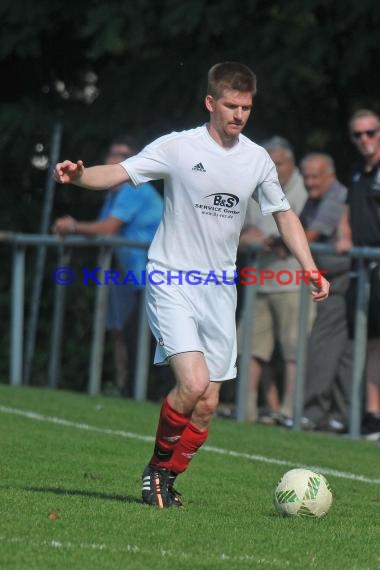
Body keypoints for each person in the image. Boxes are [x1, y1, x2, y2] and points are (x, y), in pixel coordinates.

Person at [54, 62, 329, 508]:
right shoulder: (179, 147)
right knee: (194, 382)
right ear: (210, 102)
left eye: (246, 107)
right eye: (230, 105)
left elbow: (284, 215)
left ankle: (167, 474)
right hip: (171, 279)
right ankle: (155, 471)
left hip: (220, 290)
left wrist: (309, 266)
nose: (239, 115)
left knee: (206, 404)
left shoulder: (256, 158)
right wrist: (79, 175)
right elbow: (121, 172)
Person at [53, 136, 163, 397]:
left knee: (144, 338)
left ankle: (143, 392)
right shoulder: (114, 194)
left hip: (153, 277)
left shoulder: (134, 188)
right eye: (112, 154)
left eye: (122, 156)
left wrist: (71, 226)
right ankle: (126, 388)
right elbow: (103, 233)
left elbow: (106, 229)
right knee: (120, 332)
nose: (115, 160)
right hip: (129, 276)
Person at [237, 136, 312, 426]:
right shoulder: (254, 186)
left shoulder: (304, 189)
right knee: (250, 348)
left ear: (291, 163)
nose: (274, 168)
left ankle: (288, 413)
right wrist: (250, 239)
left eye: (279, 163)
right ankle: (247, 412)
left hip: (294, 282)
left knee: (293, 350)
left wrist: (271, 239)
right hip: (260, 281)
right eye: (270, 163)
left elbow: (306, 230)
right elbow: (238, 233)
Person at [299, 153, 352, 433]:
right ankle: (340, 415)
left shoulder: (336, 195)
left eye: (314, 177)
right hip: (332, 280)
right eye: (305, 176)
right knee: (343, 352)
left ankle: (313, 412)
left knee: (323, 346)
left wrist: (284, 243)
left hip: (342, 280)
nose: (308, 183)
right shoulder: (316, 196)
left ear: (329, 175)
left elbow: (311, 234)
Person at [337, 109, 380, 438]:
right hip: (364, 269)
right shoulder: (357, 172)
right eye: (359, 135)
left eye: (371, 132)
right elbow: (349, 211)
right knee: (367, 341)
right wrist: (345, 235)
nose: (365, 139)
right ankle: (372, 412)